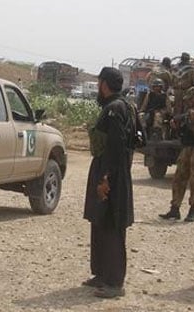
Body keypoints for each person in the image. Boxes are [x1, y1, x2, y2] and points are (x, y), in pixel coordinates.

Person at [82, 67, 140, 299]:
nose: (98, 88)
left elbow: (115, 147)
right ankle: (102, 274)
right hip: (113, 171)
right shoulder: (126, 106)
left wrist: (106, 178)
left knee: (112, 226)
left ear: (104, 84)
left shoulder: (115, 109)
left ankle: (114, 282)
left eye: (98, 83)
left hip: (111, 174)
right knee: (100, 222)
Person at [160, 86, 194, 222]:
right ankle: (175, 208)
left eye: (192, 98)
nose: (189, 101)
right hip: (187, 148)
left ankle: (192, 210)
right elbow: (183, 132)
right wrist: (176, 126)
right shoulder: (188, 113)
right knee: (178, 178)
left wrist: (193, 122)